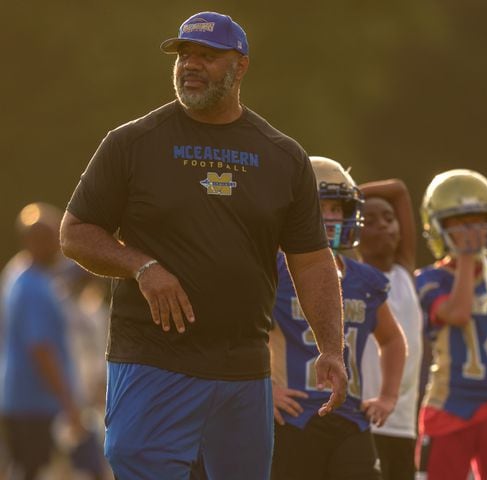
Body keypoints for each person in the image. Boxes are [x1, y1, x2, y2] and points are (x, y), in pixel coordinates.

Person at [59, 12, 347, 480]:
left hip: (243, 370)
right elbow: (75, 233)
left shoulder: (281, 155)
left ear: (241, 66)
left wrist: (331, 348)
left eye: (206, 56)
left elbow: (313, 262)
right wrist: (142, 265)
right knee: (143, 467)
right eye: (184, 54)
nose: (190, 64)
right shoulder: (133, 143)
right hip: (154, 361)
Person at [270, 156, 406, 480]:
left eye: (337, 209)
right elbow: (242, 333)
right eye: (322, 208)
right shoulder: (274, 268)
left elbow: (392, 339)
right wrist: (264, 387)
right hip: (294, 416)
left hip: (350, 418)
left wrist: (388, 396)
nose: (331, 218)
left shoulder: (365, 279)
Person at [415, 169, 487, 480]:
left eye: (478, 219)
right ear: (439, 227)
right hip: (450, 406)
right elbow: (458, 313)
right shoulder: (429, 279)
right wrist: (464, 257)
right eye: (460, 222)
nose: (471, 230)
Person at [0, 203, 84, 479]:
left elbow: (73, 272)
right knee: (35, 472)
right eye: (52, 239)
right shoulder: (34, 288)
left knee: (23, 469)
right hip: (36, 402)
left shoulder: (19, 272)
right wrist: (68, 402)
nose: (59, 246)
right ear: (33, 242)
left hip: (19, 398)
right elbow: (41, 350)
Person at [357, 178, 423, 480]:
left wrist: (350, 194)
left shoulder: (404, 272)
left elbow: (398, 189)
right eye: (369, 221)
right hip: (365, 416)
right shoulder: (353, 279)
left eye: (388, 218)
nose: (384, 226)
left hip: (404, 419)